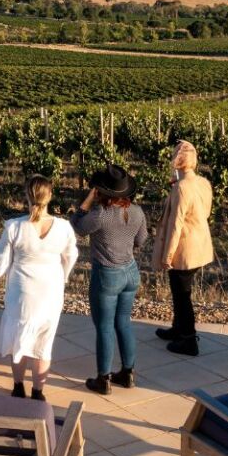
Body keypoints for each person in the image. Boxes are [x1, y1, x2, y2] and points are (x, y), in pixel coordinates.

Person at [0, 175, 78, 401]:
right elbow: (70, 256)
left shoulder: (14, 226)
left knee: (19, 337)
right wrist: (63, 275)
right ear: (50, 196)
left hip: (22, 291)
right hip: (51, 290)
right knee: (44, 342)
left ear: (27, 196)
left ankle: (18, 387)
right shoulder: (64, 227)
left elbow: (1, 257)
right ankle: (38, 391)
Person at [71, 165, 147, 394]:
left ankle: (103, 379)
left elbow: (77, 226)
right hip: (130, 272)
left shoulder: (100, 215)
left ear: (100, 191)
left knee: (104, 327)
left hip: (107, 274)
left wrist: (85, 203)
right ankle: (128, 373)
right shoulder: (137, 211)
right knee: (123, 323)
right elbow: (140, 241)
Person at [152, 140, 213, 357]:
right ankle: (178, 329)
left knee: (181, 295)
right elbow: (205, 212)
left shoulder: (181, 188)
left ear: (177, 161)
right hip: (199, 245)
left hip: (184, 248)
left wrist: (167, 255)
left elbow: (176, 224)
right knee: (180, 291)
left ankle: (188, 339)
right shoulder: (203, 183)